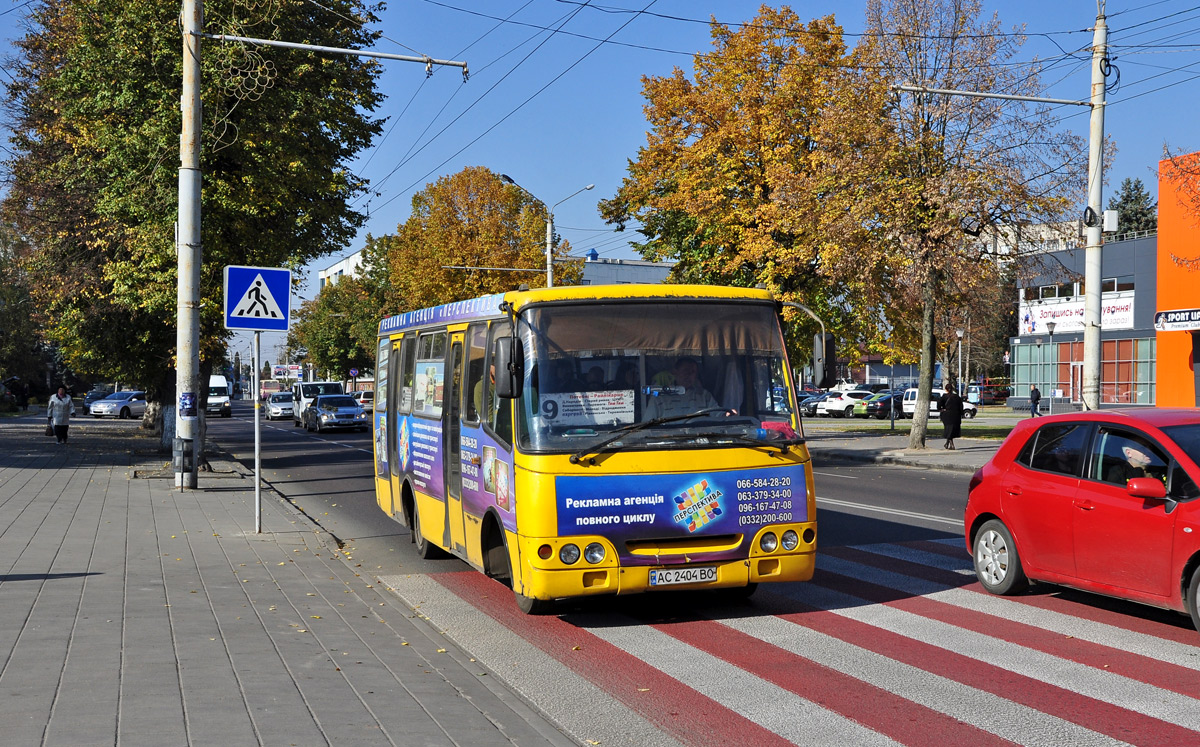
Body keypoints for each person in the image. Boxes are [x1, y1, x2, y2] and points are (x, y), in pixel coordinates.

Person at [646, 357, 720, 419]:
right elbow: (647, 426)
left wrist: (726, 414)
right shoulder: (659, 398)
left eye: (693, 372)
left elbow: (718, 415)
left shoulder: (705, 396)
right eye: (686, 371)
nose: (689, 375)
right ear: (675, 372)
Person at [938, 385, 964, 450]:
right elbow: (961, 406)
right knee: (951, 430)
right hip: (956, 416)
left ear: (946, 389)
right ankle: (947, 444)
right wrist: (961, 414)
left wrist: (941, 409)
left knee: (948, 430)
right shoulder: (957, 397)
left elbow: (939, 404)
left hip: (947, 415)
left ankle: (952, 445)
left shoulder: (944, 397)